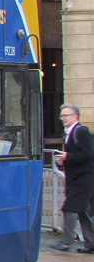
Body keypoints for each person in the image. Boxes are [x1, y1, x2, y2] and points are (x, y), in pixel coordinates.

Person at [51, 104, 94, 253]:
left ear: (75, 116)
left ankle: (65, 242)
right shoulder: (69, 133)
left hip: (84, 179)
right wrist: (61, 161)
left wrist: (68, 156)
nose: (63, 118)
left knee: (70, 208)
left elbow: (89, 153)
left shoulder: (81, 131)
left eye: (66, 116)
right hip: (76, 179)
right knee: (84, 212)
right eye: (61, 116)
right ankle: (91, 244)